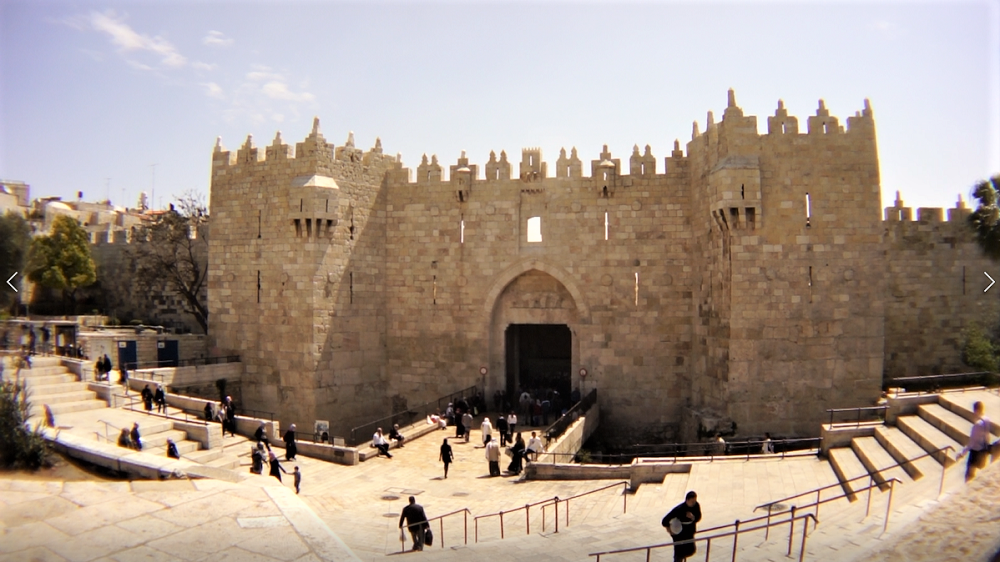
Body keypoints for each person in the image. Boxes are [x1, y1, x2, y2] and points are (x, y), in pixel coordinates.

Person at [662, 491, 702, 562]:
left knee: (691, 550)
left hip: (689, 531)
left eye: (694, 501)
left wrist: (693, 517)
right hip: (679, 533)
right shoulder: (679, 509)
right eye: (692, 501)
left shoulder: (696, 506)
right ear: (687, 500)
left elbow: (698, 517)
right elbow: (665, 520)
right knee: (679, 553)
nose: (693, 503)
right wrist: (670, 531)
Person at [959, 401, 994, 482]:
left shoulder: (977, 425)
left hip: (975, 452)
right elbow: (987, 436)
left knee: (969, 475)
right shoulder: (987, 420)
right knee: (980, 472)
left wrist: (962, 453)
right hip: (984, 449)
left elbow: (971, 442)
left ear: (976, 410)